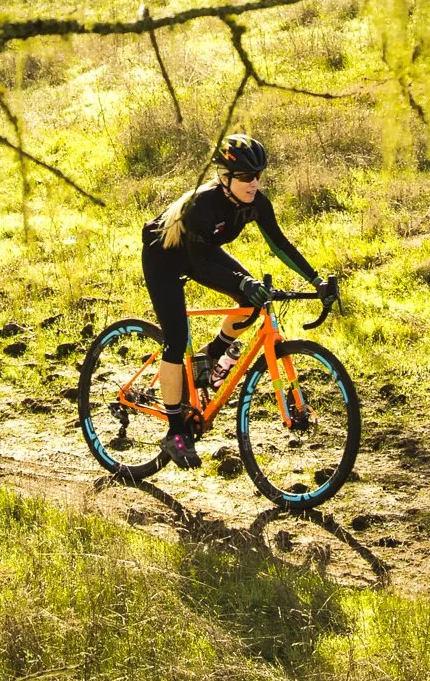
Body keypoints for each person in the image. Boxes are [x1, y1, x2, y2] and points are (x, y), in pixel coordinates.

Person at [142, 132, 332, 468]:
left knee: (254, 298)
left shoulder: (257, 202)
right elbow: (200, 264)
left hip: (202, 252)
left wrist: (315, 280)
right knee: (175, 340)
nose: (253, 183)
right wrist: (241, 281)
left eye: (258, 175)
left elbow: (280, 245)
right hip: (166, 258)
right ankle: (175, 433)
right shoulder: (202, 205)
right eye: (245, 176)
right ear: (224, 177)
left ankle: (210, 356)